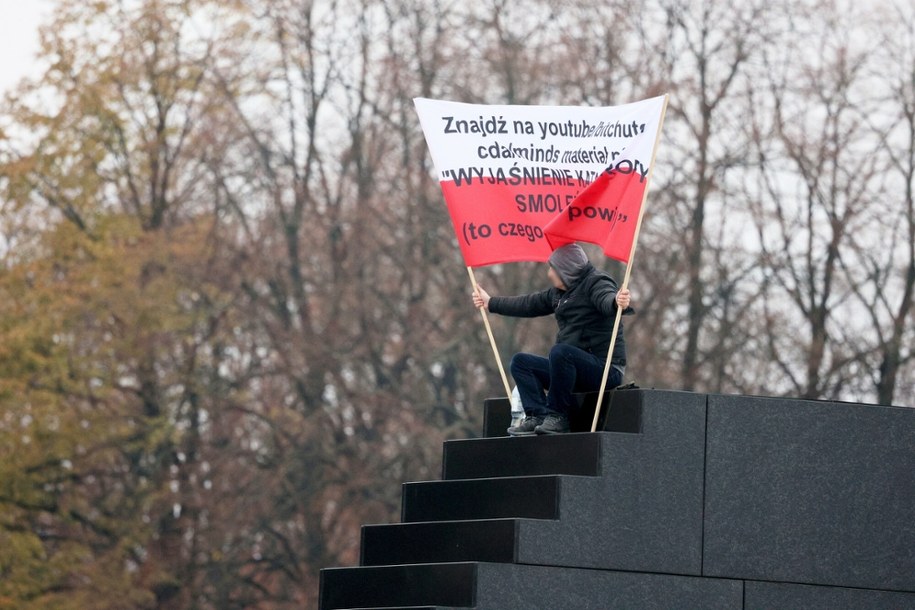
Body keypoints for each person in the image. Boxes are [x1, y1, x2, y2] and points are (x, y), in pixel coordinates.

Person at [472, 243, 633, 435]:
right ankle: (538, 416)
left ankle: (558, 417)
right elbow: (528, 304)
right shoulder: (558, 294)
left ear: (567, 270)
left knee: (561, 352)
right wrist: (491, 303)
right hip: (573, 369)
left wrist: (616, 302)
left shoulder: (596, 282)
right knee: (521, 363)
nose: (549, 274)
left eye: (553, 269)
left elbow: (605, 298)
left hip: (605, 369)